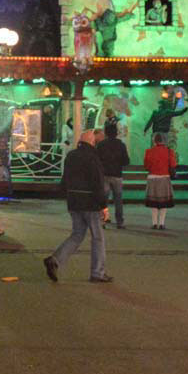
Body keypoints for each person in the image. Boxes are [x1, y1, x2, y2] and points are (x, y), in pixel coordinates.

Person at [43, 129, 112, 283]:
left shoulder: (71, 156)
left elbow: (65, 179)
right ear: (92, 142)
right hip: (90, 202)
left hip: (74, 201)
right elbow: (97, 183)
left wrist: (66, 195)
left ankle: (55, 259)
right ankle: (97, 273)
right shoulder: (93, 158)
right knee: (98, 237)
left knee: (77, 234)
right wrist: (104, 206)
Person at [96, 120, 130, 229]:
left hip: (105, 175)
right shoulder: (121, 145)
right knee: (118, 199)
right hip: (117, 175)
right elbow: (126, 161)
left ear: (106, 133)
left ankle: (102, 221)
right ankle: (119, 221)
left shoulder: (101, 145)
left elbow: (97, 160)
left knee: (103, 199)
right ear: (116, 133)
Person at [143, 133, 178, 230]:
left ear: (154, 141)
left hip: (152, 177)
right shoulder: (169, 151)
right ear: (164, 141)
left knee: (153, 202)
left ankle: (154, 223)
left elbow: (146, 166)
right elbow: (173, 164)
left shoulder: (149, 151)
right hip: (164, 177)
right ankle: (162, 223)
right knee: (164, 202)